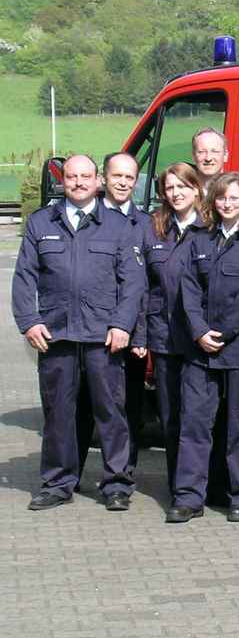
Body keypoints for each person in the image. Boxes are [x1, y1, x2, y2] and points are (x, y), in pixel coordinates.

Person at [13, 154, 146, 511]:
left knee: (111, 413)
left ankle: (117, 484)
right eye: (72, 177)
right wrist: (29, 321)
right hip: (56, 336)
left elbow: (132, 282)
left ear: (97, 180)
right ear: (63, 181)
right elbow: (24, 277)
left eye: (86, 176)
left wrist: (122, 324)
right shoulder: (42, 223)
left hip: (104, 338)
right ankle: (58, 483)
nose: (78, 183)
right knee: (59, 414)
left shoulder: (117, 227)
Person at [168, 173, 239, 523]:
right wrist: (198, 331)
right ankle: (188, 497)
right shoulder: (199, 238)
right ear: (213, 201)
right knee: (194, 424)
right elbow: (188, 287)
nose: (227, 204)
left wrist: (223, 332)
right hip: (200, 350)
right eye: (221, 198)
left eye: (234, 198)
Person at [140, 162, 205, 493]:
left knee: (197, 419)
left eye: (183, 186)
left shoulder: (211, 228)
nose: (177, 193)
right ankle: (178, 485)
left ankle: (198, 488)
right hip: (164, 339)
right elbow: (142, 286)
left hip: (200, 343)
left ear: (196, 189)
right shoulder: (154, 229)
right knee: (171, 419)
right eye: (170, 188)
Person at [99, 152, 154, 476]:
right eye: (117, 176)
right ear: (104, 178)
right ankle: (71, 476)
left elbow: (147, 285)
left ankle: (122, 474)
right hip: (89, 330)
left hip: (130, 331)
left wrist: (140, 333)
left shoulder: (145, 224)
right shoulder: (89, 219)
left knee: (127, 407)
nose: (122, 182)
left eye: (129, 177)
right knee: (82, 408)